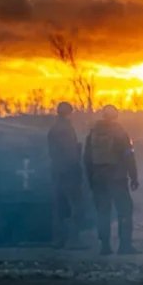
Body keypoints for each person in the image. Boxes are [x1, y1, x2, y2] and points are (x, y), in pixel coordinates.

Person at [84, 104, 139, 255]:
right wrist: (134, 177)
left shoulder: (93, 133)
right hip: (117, 179)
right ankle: (125, 245)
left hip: (98, 179)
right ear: (115, 116)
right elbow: (129, 156)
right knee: (125, 211)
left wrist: (90, 180)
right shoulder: (120, 132)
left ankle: (105, 246)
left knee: (103, 212)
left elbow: (87, 159)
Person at [47, 101, 88, 249]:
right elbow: (70, 153)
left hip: (57, 172)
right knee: (76, 207)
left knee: (59, 208)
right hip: (69, 172)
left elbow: (53, 152)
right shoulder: (66, 129)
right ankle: (74, 241)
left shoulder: (54, 129)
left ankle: (58, 240)